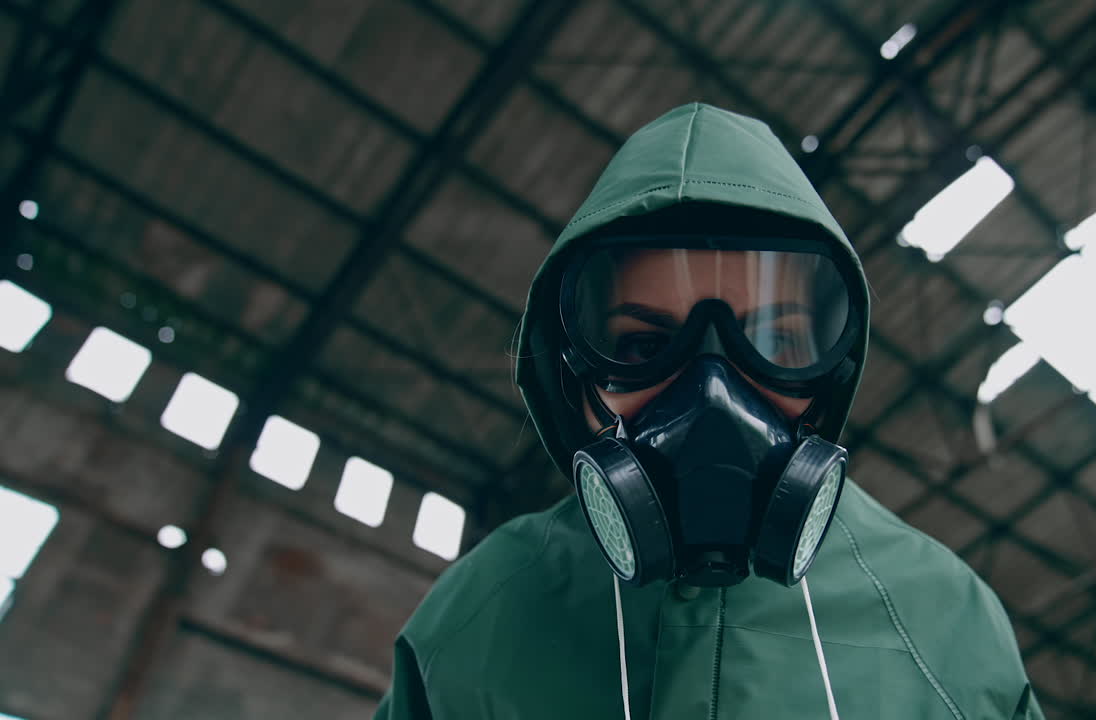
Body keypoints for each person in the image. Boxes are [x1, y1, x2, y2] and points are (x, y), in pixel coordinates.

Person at [374, 103, 1043, 719]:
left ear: (831, 373)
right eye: (641, 344)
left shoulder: (942, 618)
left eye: (776, 340)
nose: (714, 390)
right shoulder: (477, 617)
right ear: (571, 378)